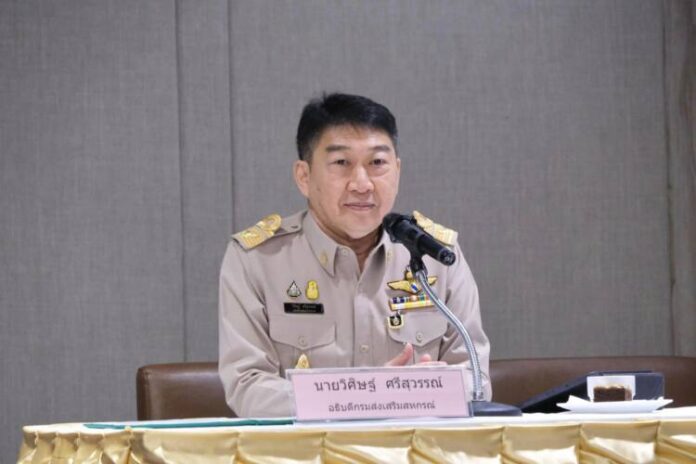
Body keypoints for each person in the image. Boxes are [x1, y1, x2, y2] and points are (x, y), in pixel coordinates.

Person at [219, 93, 491, 417]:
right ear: (304, 177)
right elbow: (248, 388)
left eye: (377, 163)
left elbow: (476, 381)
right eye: (341, 163)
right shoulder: (257, 260)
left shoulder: (435, 255)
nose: (362, 184)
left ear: (397, 170)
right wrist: (369, 397)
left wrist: (407, 395)